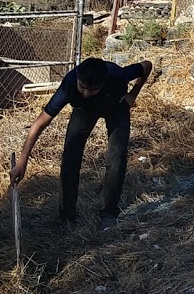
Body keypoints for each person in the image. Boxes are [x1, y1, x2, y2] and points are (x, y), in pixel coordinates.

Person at [9, 57, 153, 231]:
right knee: (70, 157)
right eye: (82, 87)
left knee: (116, 158)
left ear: (103, 82)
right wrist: (22, 162)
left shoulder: (118, 75)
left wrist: (132, 95)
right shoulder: (69, 85)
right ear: (77, 78)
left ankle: (109, 214)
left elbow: (146, 66)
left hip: (116, 107)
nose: (85, 92)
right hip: (85, 111)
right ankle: (66, 216)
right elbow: (40, 123)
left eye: (92, 90)